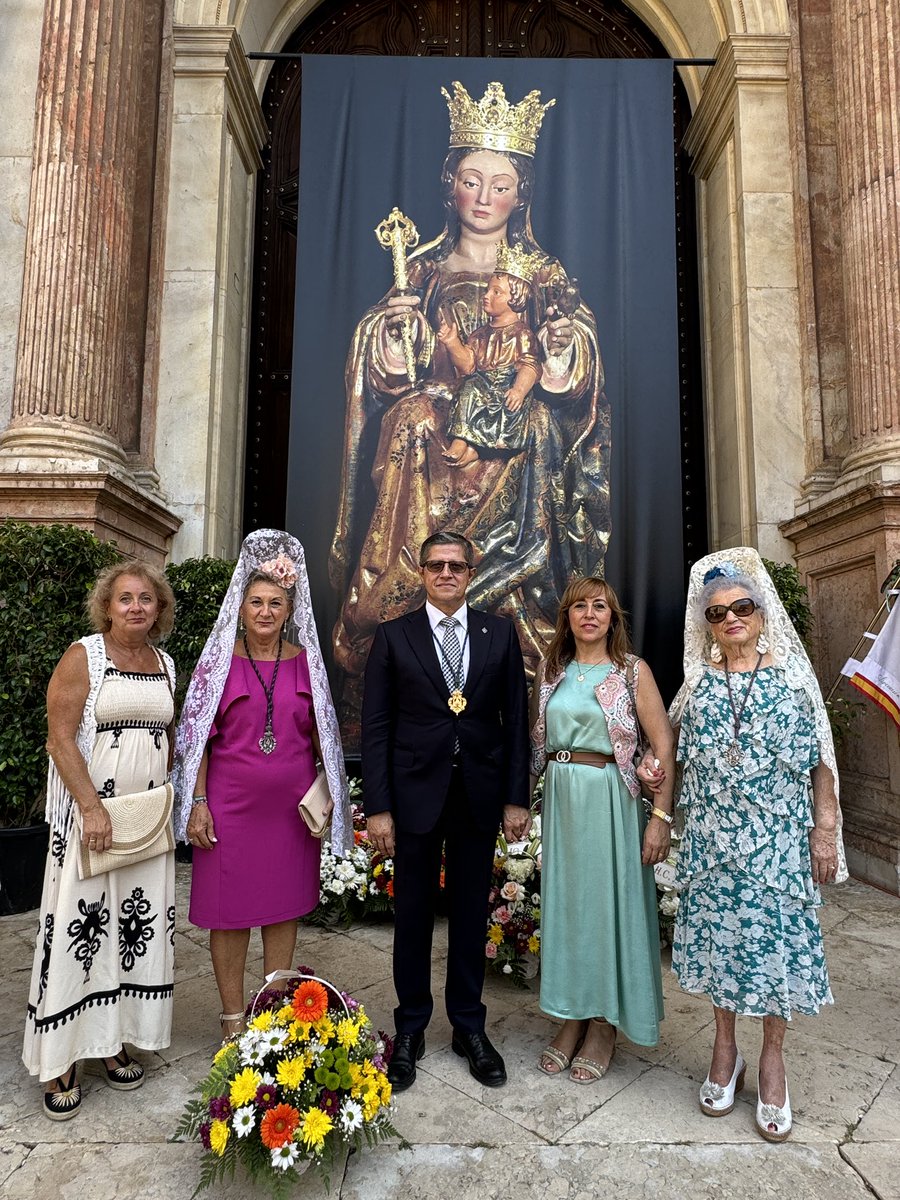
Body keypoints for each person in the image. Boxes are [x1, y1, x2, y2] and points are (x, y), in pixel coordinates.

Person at [330, 80, 609, 744]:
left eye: (500, 185)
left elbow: (574, 362)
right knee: (413, 418)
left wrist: (562, 344)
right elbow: (388, 368)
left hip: (515, 424)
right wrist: (395, 330)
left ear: (521, 195)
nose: (484, 198)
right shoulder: (422, 270)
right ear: (449, 186)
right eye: (471, 182)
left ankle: (515, 622)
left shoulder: (544, 275)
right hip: (436, 420)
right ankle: (404, 592)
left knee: (533, 426)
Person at [665, 547, 847, 1142]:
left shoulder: (793, 679)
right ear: (707, 624)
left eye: (742, 607)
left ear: (763, 612)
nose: (731, 619)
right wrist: (651, 771)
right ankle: (725, 1050)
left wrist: (825, 829)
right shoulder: (697, 684)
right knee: (721, 946)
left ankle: (771, 1059)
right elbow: (668, 754)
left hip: (777, 846)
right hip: (713, 845)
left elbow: (821, 761)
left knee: (776, 951)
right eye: (717, 613)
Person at [362, 531, 530, 1091]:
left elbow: (515, 721)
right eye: (436, 565)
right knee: (412, 916)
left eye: (456, 565)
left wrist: (515, 797)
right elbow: (377, 727)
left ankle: (468, 1027)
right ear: (422, 571)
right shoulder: (394, 636)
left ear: (470, 573)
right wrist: (379, 808)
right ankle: (410, 1027)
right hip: (414, 795)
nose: (446, 574)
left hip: (478, 793)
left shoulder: (498, 633)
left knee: (470, 914)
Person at [172, 530, 350, 1039]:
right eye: (256, 602)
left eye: (276, 603)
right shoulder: (217, 662)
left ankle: (273, 1015)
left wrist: (329, 796)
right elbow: (198, 740)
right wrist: (197, 801)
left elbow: (322, 736)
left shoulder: (307, 663)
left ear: (290, 609)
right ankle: (233, 1018)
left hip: (291, 815)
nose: (266, 612)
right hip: (227, 809)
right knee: (227, 915)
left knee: (282, 909)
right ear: (241, 606)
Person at [23, 560, 177, 1120]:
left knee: (132, 930)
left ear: (159, 610)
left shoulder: (165, 663)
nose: (136, 607)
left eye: (146, 599)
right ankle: (61, 1057)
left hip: (145, 824)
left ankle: (112, 1042)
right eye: (125, 598)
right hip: (93, 821)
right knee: (78, 932)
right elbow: (60, 739)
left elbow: (169, 736)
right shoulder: (83, 656)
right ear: (107, 607)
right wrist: (91, 807)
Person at [530, 577, 675, 1082]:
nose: (589, 614)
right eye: (579, 606)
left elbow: (662, 745)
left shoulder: (632, 671)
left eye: (600, 606)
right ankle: (571, 1014)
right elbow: (537, 744)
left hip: (611, 800)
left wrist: (660, 817)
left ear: (613, 617)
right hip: (563, 801)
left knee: (607, 910)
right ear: (566, 616)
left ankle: (603, 1024)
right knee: (570, 910)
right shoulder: (551, 670)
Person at [440, 257, 542, 467]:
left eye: (496, 292)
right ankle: (461, 440)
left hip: (507, 385)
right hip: (481, 384)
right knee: (467, 389)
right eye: (488, 290)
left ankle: (478, 451)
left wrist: (519, 390)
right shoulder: (479, 335)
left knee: (508, 408)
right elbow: (467, 366)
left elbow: (530, 366)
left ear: (515, 299)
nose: (486, 296)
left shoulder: (522, 334)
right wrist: (452, 343)